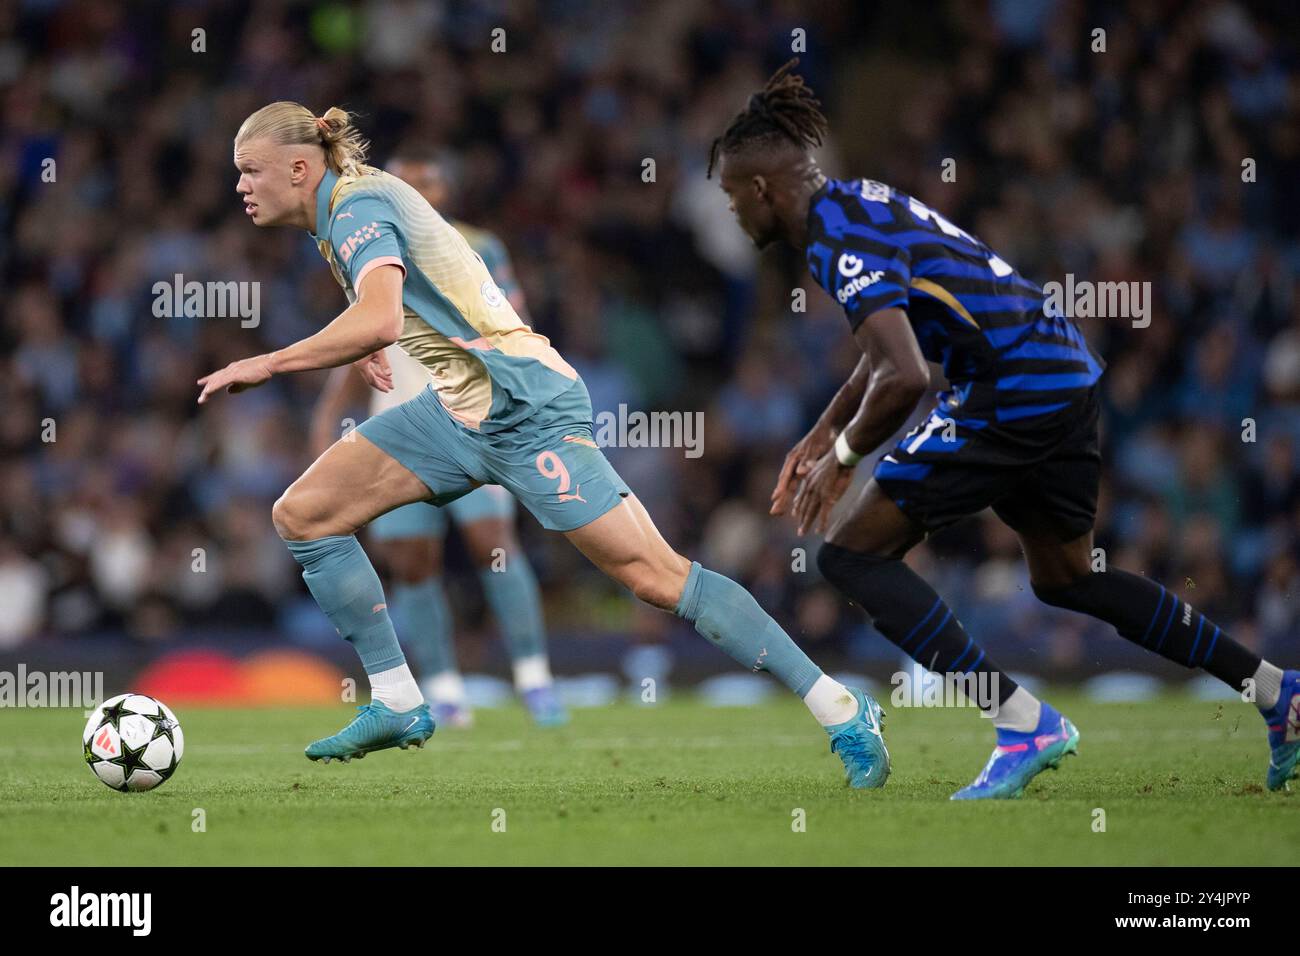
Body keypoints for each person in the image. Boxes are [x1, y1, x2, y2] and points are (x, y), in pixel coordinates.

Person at [198, 101, 889, 787]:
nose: (240, 186)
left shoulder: (353, 209)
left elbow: (379, 315)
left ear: (298, 167)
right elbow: (400, 306)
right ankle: (400, 701)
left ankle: (841, 707)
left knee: (655, 577)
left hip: (526, 407)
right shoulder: (340, 214)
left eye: (249, 170)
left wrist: (269, 361)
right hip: (457, 411)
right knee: (304, 515)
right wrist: (390, 339)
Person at [709, 60, 1299, 798]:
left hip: (1012, 390)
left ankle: (1023, 720)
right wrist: (821, 431)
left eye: (733, 198)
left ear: (762, 189)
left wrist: (843, 455)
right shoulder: (858, 205)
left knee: (851, 559)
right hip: (1064, 376)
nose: (734, 214)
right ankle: (1275, 691)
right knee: (1068, 577)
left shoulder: (837, 243)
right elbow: (890, 349)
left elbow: (908, 377)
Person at [309, 151, 563, 729]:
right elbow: (359, 332)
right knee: (412, 561)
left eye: (427, 181)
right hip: (397, 422)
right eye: (407, 181)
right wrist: (329, 415)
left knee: (492, 541)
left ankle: (534, 679)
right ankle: (445, 690)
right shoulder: (362, 242)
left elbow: (510, 322)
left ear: (444, 190)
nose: (417, 189)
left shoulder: (478, 246)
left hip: (471, 416)